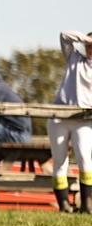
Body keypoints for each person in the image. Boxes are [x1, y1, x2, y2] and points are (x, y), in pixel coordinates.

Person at [47, 30, 92, 213]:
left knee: (84, 159)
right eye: (89, 45)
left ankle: (87, 205)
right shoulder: (74, 58)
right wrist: (87, 39)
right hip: (59, 117)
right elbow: (64, 35)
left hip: (84, 120)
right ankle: (64, 205)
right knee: (60, 161)